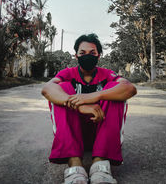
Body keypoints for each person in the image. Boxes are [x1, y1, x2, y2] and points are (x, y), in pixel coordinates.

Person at [42, 33, 137, 184]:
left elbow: (129, 88)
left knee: (116, 90)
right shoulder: (68, 73)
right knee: (61, 88)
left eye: (92, 53)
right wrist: (79, 105)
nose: (87, 56)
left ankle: (100, 164)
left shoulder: (107, 74)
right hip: (74, 133)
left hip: (101, 132)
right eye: (82, 53)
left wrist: (94, 96)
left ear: (99, 55)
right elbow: (47, 89)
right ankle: (75, 167)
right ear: (76, 56)